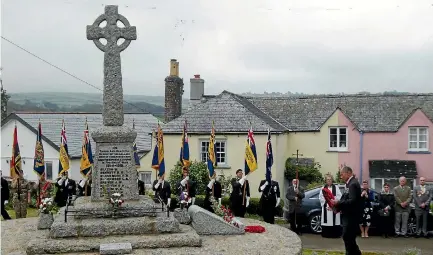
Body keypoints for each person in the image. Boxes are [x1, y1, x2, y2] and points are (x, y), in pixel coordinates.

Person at [333, 166, 362, 255]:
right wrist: (337, 206)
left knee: (348, 237)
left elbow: (352, 200)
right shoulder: (349, 183)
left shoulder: (353, 184)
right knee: (349, 238)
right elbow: (345, 198)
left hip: (351, 217)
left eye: (342, 174)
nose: (341, 176)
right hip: (348, 215)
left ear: (348, 173)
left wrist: (338, 203)